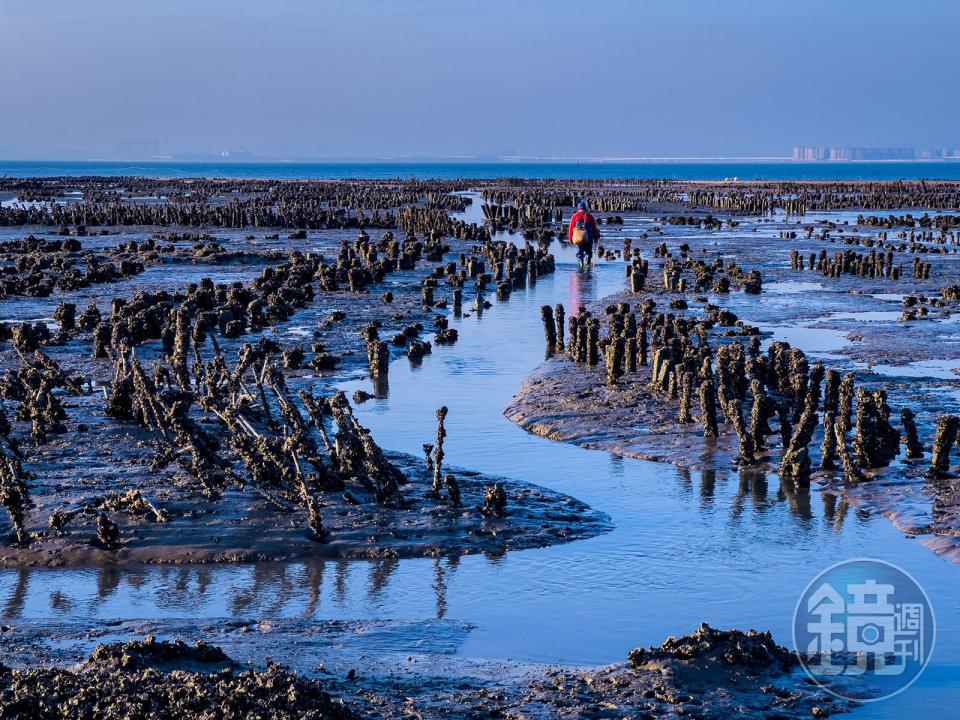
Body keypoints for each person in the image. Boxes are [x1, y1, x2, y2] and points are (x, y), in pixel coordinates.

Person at [568, 200, 600, 267]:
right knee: (588, 252)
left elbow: (571, 229)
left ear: (578, 208)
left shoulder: (574, 216)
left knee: (580, 252)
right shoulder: (590, 216)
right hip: (589, 237)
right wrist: (596, 237)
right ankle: (588, 265)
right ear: (585, 208)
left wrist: (570, 239)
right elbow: (594, 228)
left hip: (578, 237)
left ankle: (581, 265)